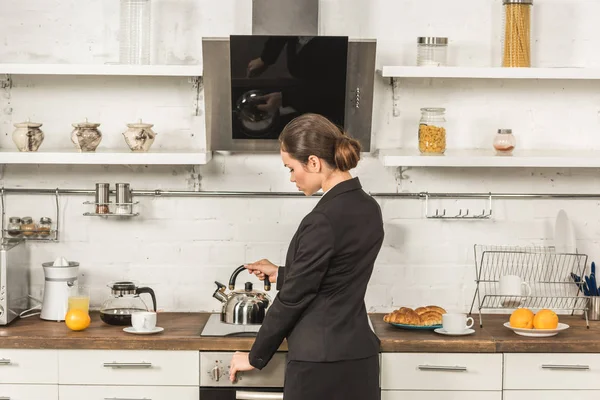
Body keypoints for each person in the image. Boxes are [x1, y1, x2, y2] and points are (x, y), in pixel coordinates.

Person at [229, 113, 384, 400]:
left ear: (313, 162)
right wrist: (283, 273)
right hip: (359, 357)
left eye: (290, 167)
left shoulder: (322, 218)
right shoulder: (368, 207)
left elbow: (294, 298)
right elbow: (338, 273)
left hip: (319, 363)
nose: (291, 178)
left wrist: (254, 356)